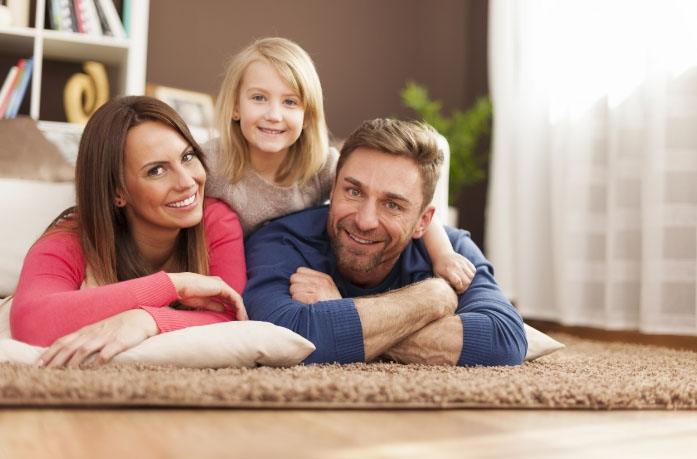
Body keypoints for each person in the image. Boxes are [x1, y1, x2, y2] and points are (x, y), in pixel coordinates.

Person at [243, 118, 527, 366]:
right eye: (353, 191)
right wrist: (433, 298)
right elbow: (280, 335)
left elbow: (504, 340)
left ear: (423, 222)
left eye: (392, 205)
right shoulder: (281, 240)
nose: (365, 220)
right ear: (333, 187)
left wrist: (341, 310)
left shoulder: (451, 252)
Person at [205, 37, 475, 294]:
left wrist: (444, 255)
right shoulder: (211, 163)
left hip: (285, 274)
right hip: (223, 273)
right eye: (259, 98)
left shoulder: (321, 166)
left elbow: (419, 211)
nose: (274, 115)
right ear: (235, 107)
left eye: (290, 102)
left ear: (308, 115)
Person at [10, 96, 248, 368]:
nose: (187, 182)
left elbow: (232, 317)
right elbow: (31, 323)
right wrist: (174, 285)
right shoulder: (71, 238)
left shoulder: (216, 220)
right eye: (156, 170)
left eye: (187, 156)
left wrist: (144, 319)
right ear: (117, 192)